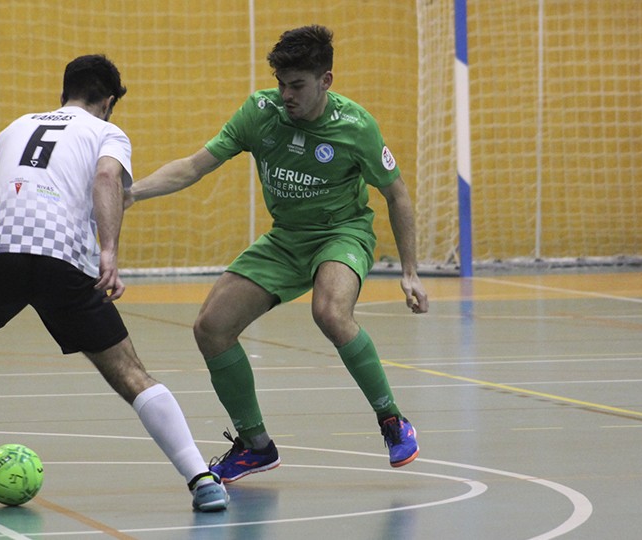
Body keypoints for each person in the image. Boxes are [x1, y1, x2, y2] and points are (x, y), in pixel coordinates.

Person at [126, 25, 429, 483]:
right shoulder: (259, 113)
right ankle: (255, 446)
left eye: (298, 85)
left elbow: (398, 196)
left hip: (341, 232)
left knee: (329, 311)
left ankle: (391, 419)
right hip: (286, 238)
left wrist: (410, 272)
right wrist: (131, 193)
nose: (287, 94)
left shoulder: (356, 127)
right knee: (211, 328)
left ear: (326, 80)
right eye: (281, 83)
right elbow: (193, 166)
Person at [0, 54, 228, 512]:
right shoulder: (106, 132)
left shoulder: (16, 127)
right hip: (65, 262)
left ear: (62, 93)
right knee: (130, 373)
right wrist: (108, 251)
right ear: (107, 102)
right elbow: (107, 177)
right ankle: (202, 479)